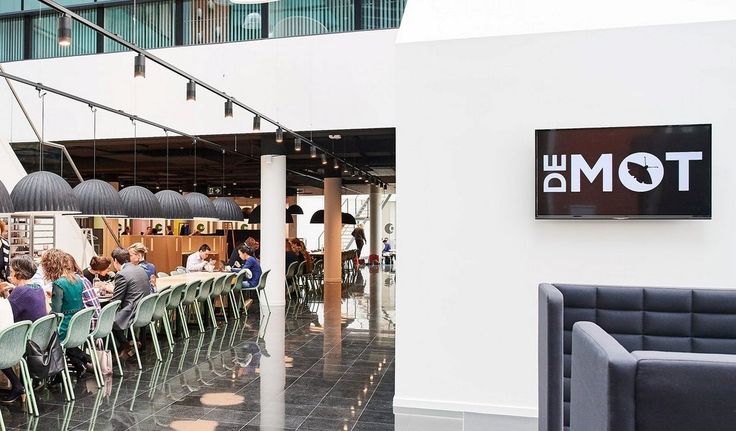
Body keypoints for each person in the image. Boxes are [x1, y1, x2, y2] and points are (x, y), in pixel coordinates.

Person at [2, 256, 46, 403]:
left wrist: (8, 294)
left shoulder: (19, 293)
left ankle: (17, 385)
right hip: (38, 339)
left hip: (23, 342)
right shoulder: (38, 288)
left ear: (18, 273)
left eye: (11, 271)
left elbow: (7, 315)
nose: (10, 274)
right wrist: (12, 291)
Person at [42, 249, 89, 378]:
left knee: (45, 337)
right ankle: (80, 359)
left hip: (65, 326)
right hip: (77, 326)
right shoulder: (78, 279)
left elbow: (56, 312)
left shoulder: (59, 283)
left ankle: (56, 374)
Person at [110, 248, 150, 358]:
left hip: (131, 311)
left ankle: (125, 345)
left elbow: (116, 300)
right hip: (143, 310)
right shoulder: (140, 269)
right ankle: (133, 341)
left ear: (115, 260)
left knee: (106, 318)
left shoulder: (122, 274)